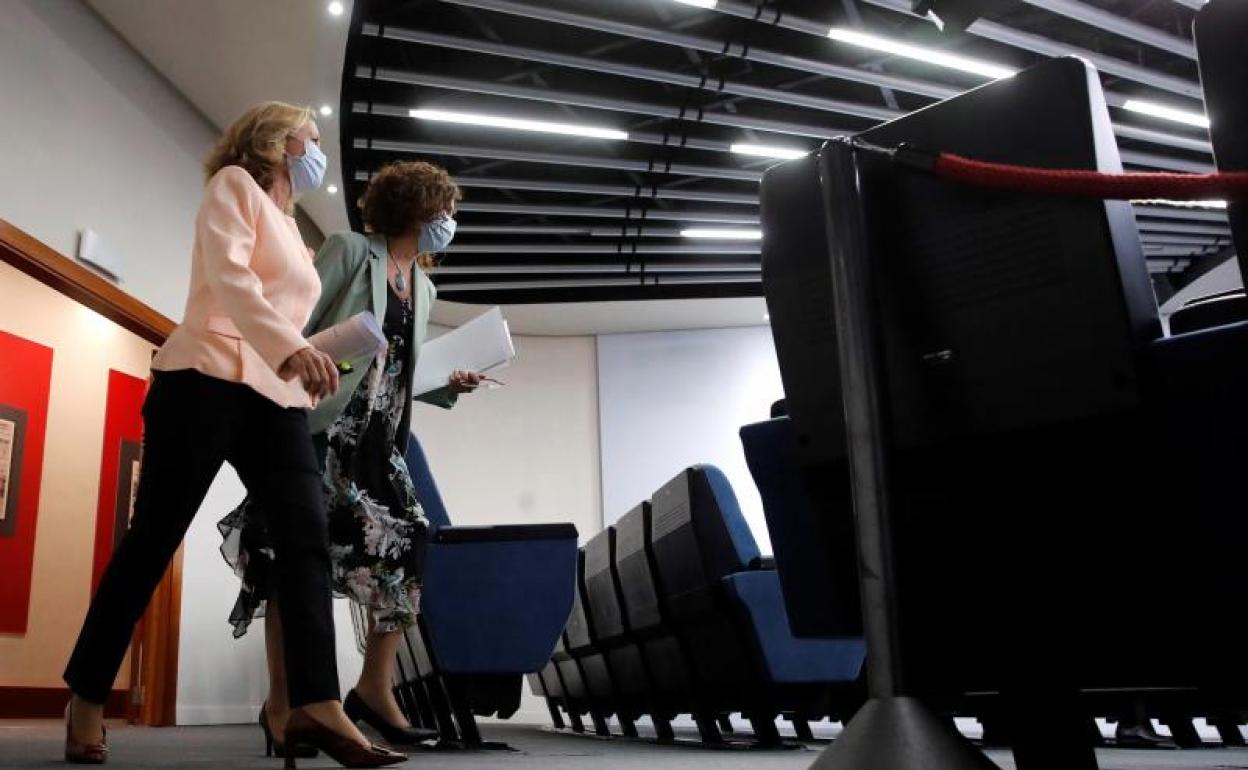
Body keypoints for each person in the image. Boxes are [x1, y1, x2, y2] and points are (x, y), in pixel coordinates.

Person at [61, 101, 404, 769]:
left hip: (276, 395)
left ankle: (315, 702)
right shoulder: (234, 186)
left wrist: (316, 357)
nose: (318, 152)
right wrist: (289, 346)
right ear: (277, 141)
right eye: (310, 139)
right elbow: (231, 277)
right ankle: (88, 695)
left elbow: (284, 318)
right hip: (204, 378)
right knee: (153, 539)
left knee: (306, 537)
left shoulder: (294, 229)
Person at [218, 160, 481, 750]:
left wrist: (447, 385)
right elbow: (293, 325)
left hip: (379, 440)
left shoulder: (425, 286)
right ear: (415, 208)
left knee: (410, 539)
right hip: (321, 426)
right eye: (444, 209)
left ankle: (372, 688)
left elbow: (399, 371)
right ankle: (283, 704)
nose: (449, 221)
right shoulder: (351, 250)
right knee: (289, 558)